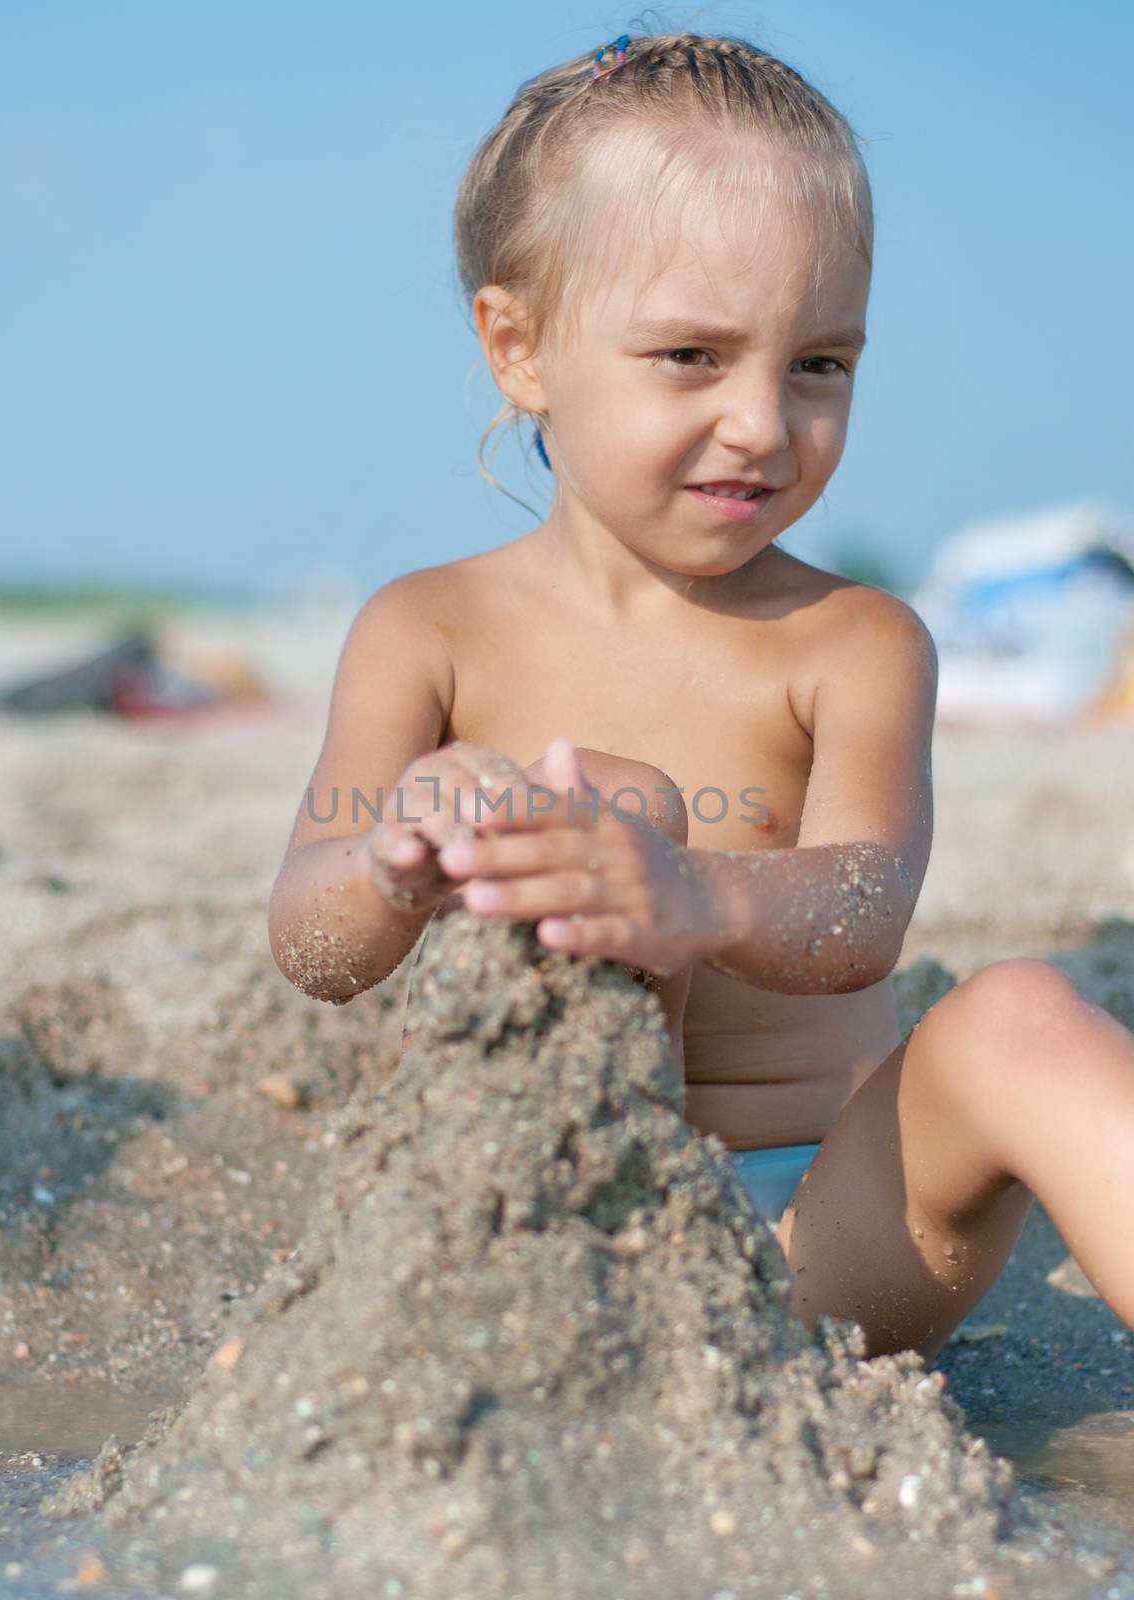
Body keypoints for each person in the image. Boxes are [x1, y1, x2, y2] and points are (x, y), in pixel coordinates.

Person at [268, 31, 1134, 1362]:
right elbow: (310, 950)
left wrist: (699, 893)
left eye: (819, 364)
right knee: (600, 796)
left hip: (823, 1242)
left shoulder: (851, 639)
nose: (762, 423)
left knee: (1021, 1015)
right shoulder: (424, 630)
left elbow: (864, 916)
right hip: (554, 1239)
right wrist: (397, 864)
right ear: (522, 346)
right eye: (692, 356)